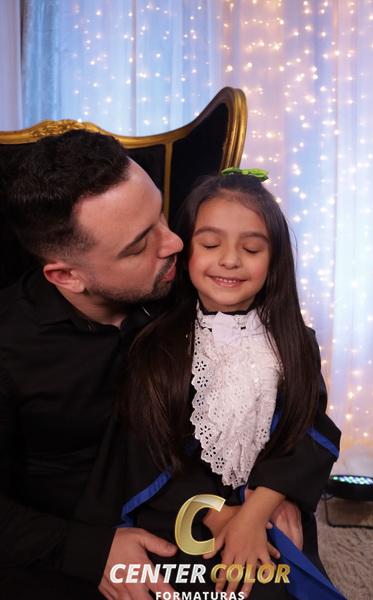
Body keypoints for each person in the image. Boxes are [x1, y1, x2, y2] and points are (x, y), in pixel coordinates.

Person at [0, 131, 307, 600]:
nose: (175, 242)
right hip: (63, 538)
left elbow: (273, 388)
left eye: (160, 215)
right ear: (67, 276)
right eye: (138, 246)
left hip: (192, 505)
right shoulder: (10, 346)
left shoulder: (189, 283)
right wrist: (90, 552)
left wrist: (271, 495)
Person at [77, 171, 342, 599]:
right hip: (179, 509)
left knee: (270, 585)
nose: (230, 260)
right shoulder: (156, 342)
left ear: (274, 260)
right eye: (211, 245)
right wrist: (220, 517)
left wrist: (255, 515)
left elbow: (306, 432)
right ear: (185, 251)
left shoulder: (295, 341)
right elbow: (146, 447)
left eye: (251, 249)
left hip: (263, 503)